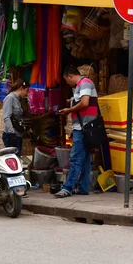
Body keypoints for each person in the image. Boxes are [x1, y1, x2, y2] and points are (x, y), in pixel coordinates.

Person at [55, 66, 98, 198]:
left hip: (83, 127)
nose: (67, 83)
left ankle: (67, 187)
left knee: (75, 158)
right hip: (84, 126)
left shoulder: (84, 83)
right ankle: (83, 187)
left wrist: (69, 110)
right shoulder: (83, 84)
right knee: (84, 159)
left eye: (66, 80)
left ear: (70, 76)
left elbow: (84, 103)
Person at [2, 78, 29, 157]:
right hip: (11, 136)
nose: (27, 93)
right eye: (26, 90)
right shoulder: (10, 98)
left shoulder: (18, 100)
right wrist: (12, 133)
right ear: (21, 88)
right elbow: (7, 117)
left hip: (18, 135)